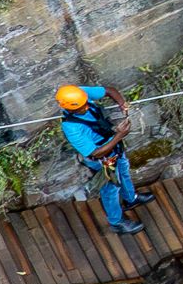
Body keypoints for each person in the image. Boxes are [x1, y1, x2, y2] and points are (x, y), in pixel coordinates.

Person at [58, 84, 147, 234]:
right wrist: (119, 135)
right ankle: (116, 222)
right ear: (71, 108)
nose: (86, 106)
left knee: (124, 171)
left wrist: (122, 104)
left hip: (114, 145)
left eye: (86, 103)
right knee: (110, 188)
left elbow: (109, 90)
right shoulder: (71, 128)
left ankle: (131, 198)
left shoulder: (79, 94)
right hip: (102, 158)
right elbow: (95, 153)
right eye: (82, 107)